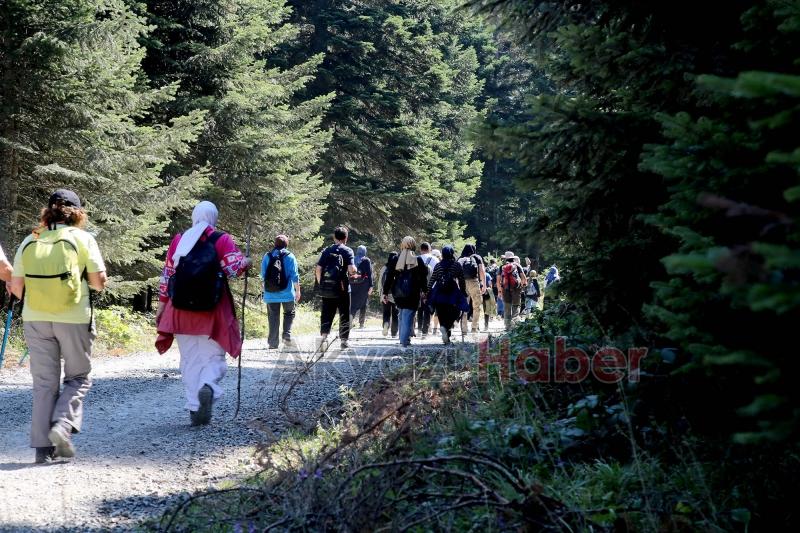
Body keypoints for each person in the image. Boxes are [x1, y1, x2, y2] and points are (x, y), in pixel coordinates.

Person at [9, 189, 107, 463]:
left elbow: (17, 288)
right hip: (74, 317)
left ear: (47, 211)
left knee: (44, 384)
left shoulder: (31, 238)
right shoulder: (83, 238)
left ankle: (42, 449)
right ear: (77, 213)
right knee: (78, 377)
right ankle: (62, 425)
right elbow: (98, 282)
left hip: (35, 319)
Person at [156, 201, 252, 426]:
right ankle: (207, 385)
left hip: (179, 310)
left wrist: (161, 306)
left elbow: (168, 273)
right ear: (214, 217)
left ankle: (193, 408)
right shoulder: (221, 239)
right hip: (212, 310)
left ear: (194, 217)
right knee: (213, 357)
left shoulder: (180, 240)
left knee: (189, 360)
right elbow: (233, 269)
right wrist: (246, 261)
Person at [315, 226, 357, 351]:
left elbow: (318, 269)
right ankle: (344, 340)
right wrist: (354, 270)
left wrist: (321, 283)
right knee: (344, 313)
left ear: (334, 237)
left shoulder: (327, 250)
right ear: (346, 238)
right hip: (343, 288)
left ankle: (324, 338)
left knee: (326, 313)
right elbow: (351, 269)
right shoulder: (348, 251)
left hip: (327, 287)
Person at [382, 237, 428, 348]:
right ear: (413, 245)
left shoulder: (395, 259)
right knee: (408, 315)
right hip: (413, 293)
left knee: (402, 313)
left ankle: (404, 338)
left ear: (402, 245)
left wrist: (385, 292)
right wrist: (425, 291)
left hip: (398, 293)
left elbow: (389, 277)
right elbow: (423, 278)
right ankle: (403, 341)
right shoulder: (418, 260)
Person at [261, 235, 301, 350]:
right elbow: (295, 276)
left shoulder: (267, 256)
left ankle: (273, 343)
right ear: (286, 244)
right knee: (289, 313)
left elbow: (263, 276)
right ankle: (286, 335)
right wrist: (297, 291)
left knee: (273, 317)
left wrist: (264, 291)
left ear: (275, 244)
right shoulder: (290, 256)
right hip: (287, 293)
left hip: (271, 294)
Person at [426, 245, 468, 345]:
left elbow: (432, 280)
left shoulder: (438, 265)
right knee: (455, 312)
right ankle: (446, 329)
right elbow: (461, 280)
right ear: (452, 253)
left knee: (441, 313)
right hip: (452, 293)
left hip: (439, 292)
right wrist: (463, 291)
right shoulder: (456, 265)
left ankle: (444, 329)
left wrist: (427, 292)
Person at [457, 244, 486, 334]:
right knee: (476, 306)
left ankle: (464, 329)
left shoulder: (460, 258)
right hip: (474, 282)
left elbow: (456, 273)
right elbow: (482, 271)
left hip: (462, 283)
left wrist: (458, 285)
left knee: (464, 306)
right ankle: (474, 328)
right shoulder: (477, 257)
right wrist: (484, 284)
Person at [497, 251, 528, 330]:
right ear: (513, 258)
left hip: (505, 289)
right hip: (516, 290)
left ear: (505, 258)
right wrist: (523, 286)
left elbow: (498, 281)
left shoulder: (502, 267)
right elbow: (523, 278)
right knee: (516, 306)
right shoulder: (517, 266)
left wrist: (499, 291)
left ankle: (507, 326)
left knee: (507, 308)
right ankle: (515, 326)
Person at [416, 241, 438, 338]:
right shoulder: (435, 259)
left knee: (419, 308)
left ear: (421, 250)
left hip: (419, 288)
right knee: (428, 309)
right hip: (431, 288)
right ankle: (425, 331)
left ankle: (419, 330)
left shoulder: (417, 259)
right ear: (430, 250)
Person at [349, 245, 373, 329]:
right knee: (363, 303)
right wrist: (371, 286)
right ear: (365, 251)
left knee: (353, 303)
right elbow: (369, 274)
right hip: (364, 284)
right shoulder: (366, 260)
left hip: (352, 284)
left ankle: (350, 317)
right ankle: (361, 324)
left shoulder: (353, 259)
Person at [378, 252, 399, 338]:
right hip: (395, 294)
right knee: (395, 314)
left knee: (386, 313)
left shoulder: (384, 268)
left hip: (385, 294)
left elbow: (380, 282)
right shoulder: (398, 267)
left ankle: (386, 324)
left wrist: (381, 294)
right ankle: (394, 333)